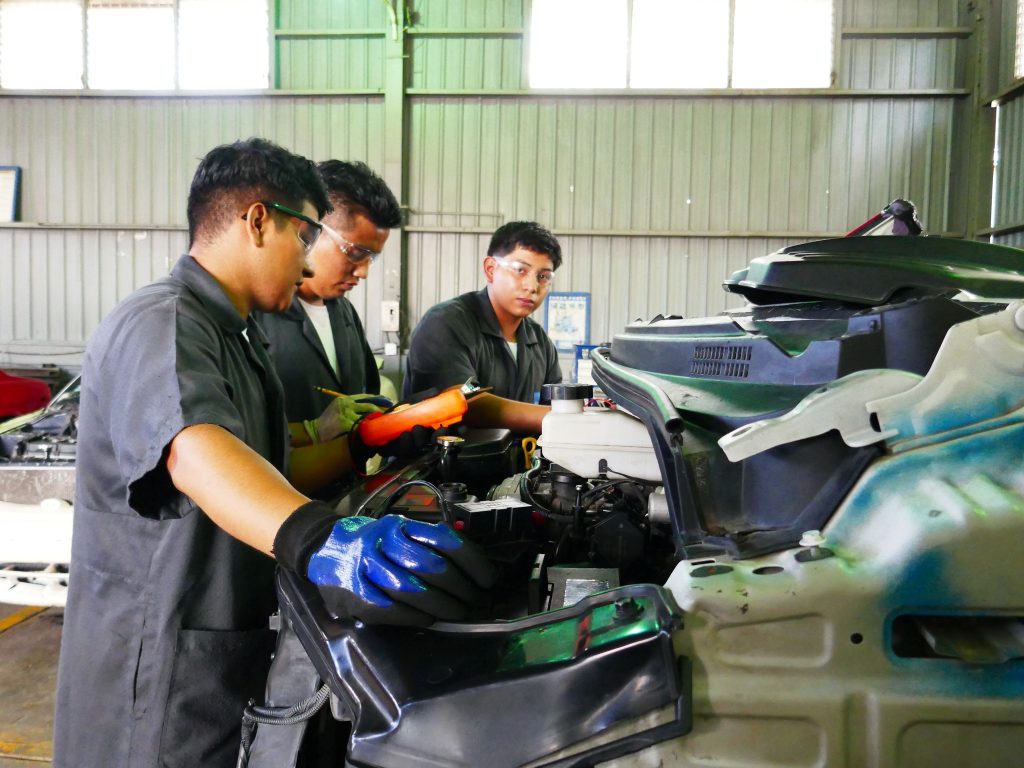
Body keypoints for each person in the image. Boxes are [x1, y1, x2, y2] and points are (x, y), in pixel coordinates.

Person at [53, 138, 493, 768]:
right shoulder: (166, 322)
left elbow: (271, 469)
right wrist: (325, 543)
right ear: (257, 221)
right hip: (155, 664)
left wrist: (360, 455)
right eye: (307, 233)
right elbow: (195, 454)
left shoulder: (240, 339)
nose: (312, 257)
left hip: (219, 650)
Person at [254, 160, 401, 438]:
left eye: (372, 258)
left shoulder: (344, 314)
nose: (363, 272)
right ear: (311, 229)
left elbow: (367, 398)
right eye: (355, 252)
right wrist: (312, 432)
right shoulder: (255, 316)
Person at [403, 221, 563, 432]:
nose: (532, 286)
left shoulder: (539, 341)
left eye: (543, 276)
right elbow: (465, 402)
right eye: (520, 270)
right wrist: (561, 420)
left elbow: (556, 402)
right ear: (490, 269)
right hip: (440, 463)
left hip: (513, 463)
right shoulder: (447, 323)